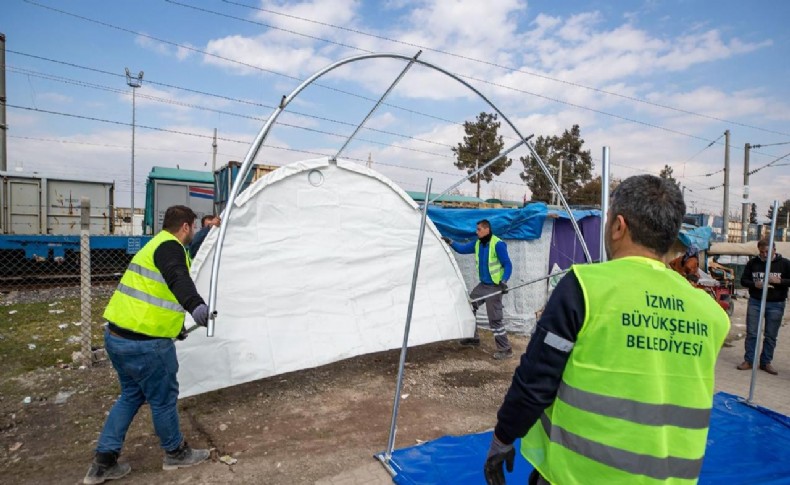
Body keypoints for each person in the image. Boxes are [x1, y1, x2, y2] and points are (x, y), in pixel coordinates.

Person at [483, 175, 730, 485]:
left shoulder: (583, 288)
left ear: (618, 226)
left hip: (579, 475)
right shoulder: (710, 312)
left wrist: (503, 437)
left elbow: (536, 380)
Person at [84, 205, 212, 484]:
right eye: (193, 227)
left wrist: (175, 328)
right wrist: (197, 307)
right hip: (145, 345)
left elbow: (154, 296)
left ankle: (103, 462)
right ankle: (175, 453)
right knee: (163, 399)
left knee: (131, 395)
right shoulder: (170, 247)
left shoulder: (153, 244)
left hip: (117, 337)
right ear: (186, 227)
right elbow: (178, 279)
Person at [443, 219, 514, 360]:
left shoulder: (498, 244)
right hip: (483, 286)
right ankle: (473, 338)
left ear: (487, 229)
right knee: (469, 306)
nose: (476, 232)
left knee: (495, 320)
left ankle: (505, 349)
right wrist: (450, 242)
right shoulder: (478, 244)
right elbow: (462, 250)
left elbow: (508, 264)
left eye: (479, 229)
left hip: (495, 286)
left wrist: (504, 281)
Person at [736, 239, 790, 375]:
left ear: (774, 249)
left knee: (771, 335)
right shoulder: (753, 263)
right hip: (756, 301)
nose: (764, 255)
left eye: (767, 252)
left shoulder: (784, 264)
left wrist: (780, 281)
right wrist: (755, 284)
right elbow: (743, 280)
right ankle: (749, 360)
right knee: (752, 333)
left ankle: (766, 362)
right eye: (761, 252)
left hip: (776, 303)